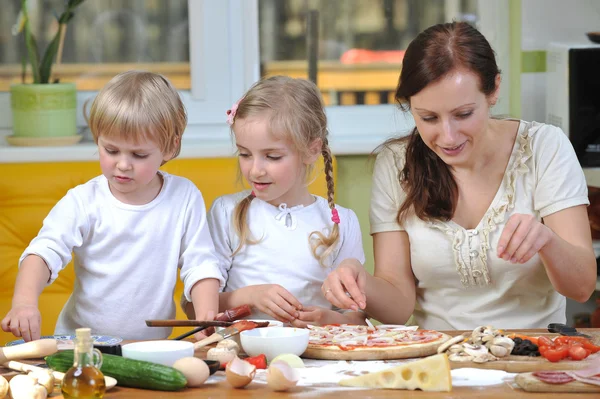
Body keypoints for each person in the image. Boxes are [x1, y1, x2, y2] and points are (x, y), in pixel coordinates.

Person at [323, 22, 596, 330]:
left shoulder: (544, 148)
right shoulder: (397, 164)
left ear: (493, 90)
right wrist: (356, 280)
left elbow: (582, 287)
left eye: (463, 114)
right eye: (428, 118)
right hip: (440, 361)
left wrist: (548, 241)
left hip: (535, 357)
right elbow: (398, 306)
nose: (448, 137)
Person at [1, 71, 224, 341]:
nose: (122, 164)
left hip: (149, 348)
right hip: (80, 345)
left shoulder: (184, 197)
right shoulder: (84, 200)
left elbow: (200, 264)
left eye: (138, 154)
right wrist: (24, 303)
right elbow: (43, 252)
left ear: (169, 147)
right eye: (111, 150)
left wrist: (206, 320)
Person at [182, 76, 366, 327]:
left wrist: (327, 319)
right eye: (245, 154)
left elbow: (356, 316)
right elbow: (193, 308)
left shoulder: (342, 222)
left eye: (272, 156)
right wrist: (250, 297)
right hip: (243, 355)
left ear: (312, 150)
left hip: (315, 357)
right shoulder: (226, 213)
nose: (255, 170)